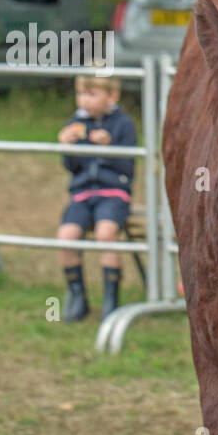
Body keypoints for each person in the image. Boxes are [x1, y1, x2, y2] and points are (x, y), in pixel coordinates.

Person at [56, 74, 136, 321]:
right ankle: (77, 296)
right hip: (82, 194)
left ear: (112, 97)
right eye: (81, 94)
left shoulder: (123, 124)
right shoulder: (76, 123)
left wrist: (109, 149)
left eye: (92, 95)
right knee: (65, 237)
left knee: (106, 234)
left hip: (113, 194)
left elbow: (128, 167)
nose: (84, 101)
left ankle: (111, 302)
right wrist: (67, 148)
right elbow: (72, 167)